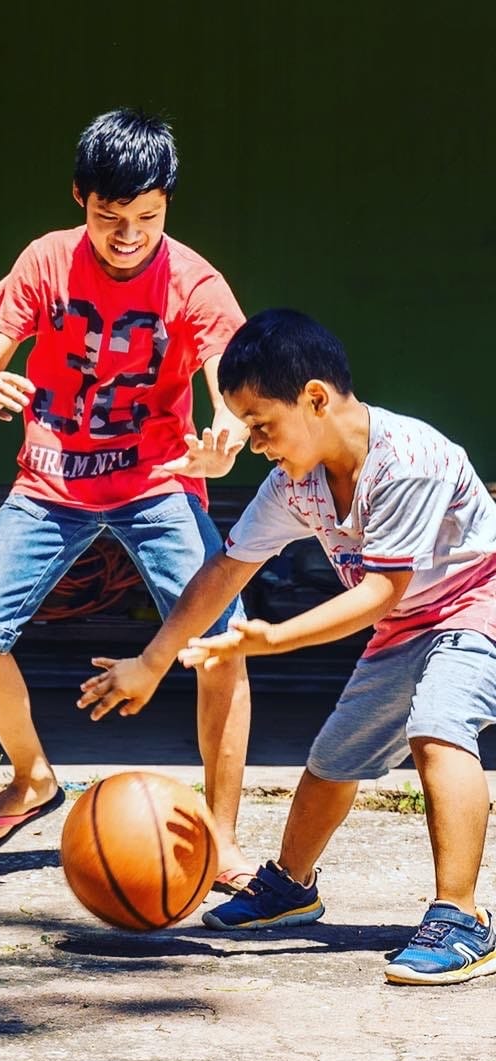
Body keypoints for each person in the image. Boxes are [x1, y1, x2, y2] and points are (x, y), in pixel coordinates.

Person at [81, 308, 496, 985]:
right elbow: (226, 569)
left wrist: (273, 638)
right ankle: (292, 886)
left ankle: (462, 917)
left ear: (315, 399)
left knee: (438, 728)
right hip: (407, 621)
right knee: (333, 760)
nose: (254, 443)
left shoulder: (407, 461)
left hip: (479, 603)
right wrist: (152, 662)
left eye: (260, 424)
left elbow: (379, 593)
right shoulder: (295, 482)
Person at [0, 109, 253, 884]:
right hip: (52, 478)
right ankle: (31, 779)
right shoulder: (46, 259)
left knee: (221, 646)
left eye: (146, 217)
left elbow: (229, 382)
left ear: (167, 205)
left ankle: (222, 836)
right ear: (80, 197)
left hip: (158, 480)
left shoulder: (195, 281)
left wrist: (226, 434)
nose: (128, 235)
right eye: (110, 216)